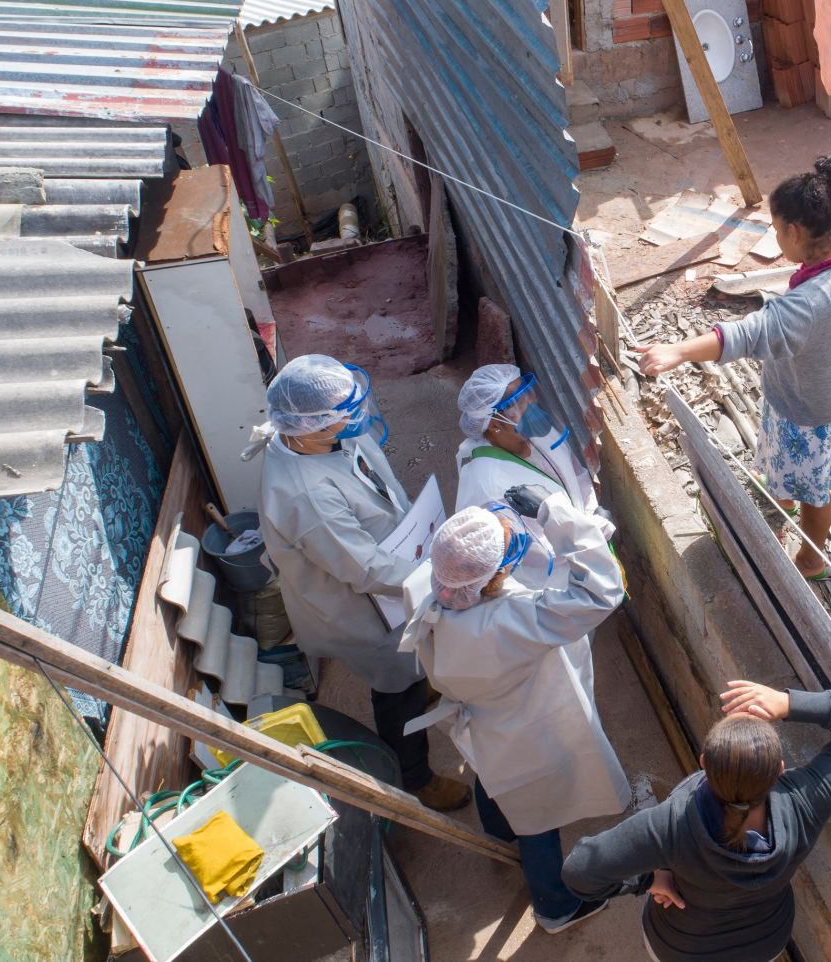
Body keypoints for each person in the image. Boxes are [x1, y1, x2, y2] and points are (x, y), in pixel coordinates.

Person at [635, 156, 831, 580]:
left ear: (793, 230)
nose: (775, 236)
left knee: (815, 493)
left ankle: (811, 559)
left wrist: (678, 352)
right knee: (792, 471)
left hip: (810, 414)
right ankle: (781, 495)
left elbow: (745, 335)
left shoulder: (807, 304)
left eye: (774, 228)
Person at [398, 487, 630, 935]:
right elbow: (601, 594)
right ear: (494, 576)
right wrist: (556, 513)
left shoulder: (432, 589)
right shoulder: (510, 619)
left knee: (493, 776)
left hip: (486, 723)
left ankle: (498, 834)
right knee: (536, 814)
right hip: (529, 730)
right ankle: (555, 906)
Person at [253, 354, 470, 811]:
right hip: (362, 607)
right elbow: (365, 570)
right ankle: (413, 778)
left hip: (391, 564)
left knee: (417, 659)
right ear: (308, 424)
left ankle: (421, 681)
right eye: (343, 414)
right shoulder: (305, 496)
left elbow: (375, 488)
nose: (357, 418)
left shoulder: (323, 439)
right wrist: (445, 573)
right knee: (397, 685)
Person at [561, 682, 831, 962]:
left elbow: (579, 873)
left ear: (704, 763)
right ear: (778, 771)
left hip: (681, 948)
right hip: (764, 944)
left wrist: (649, 880)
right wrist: (788, 702)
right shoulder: (804, 803)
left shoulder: (669, 826)